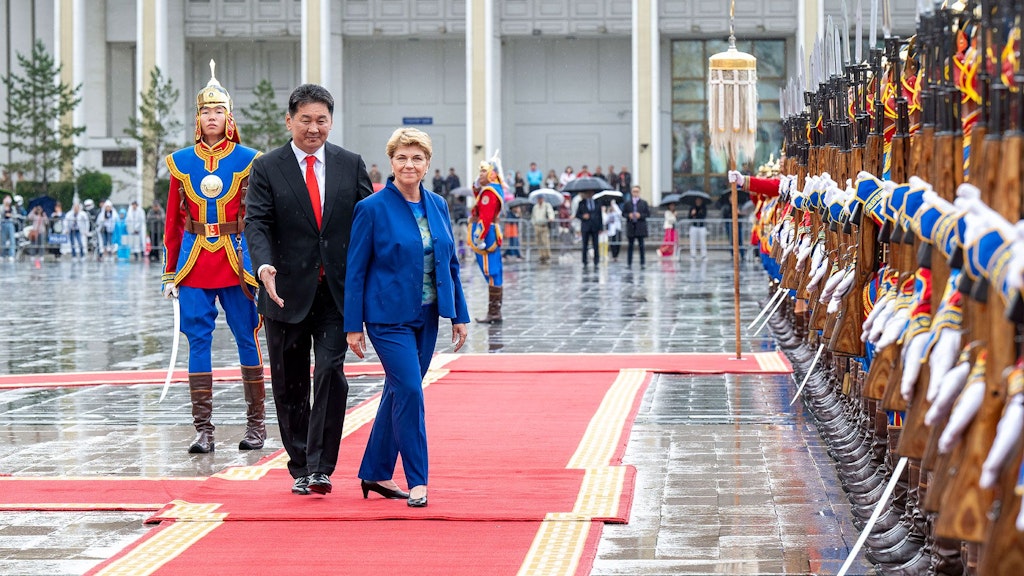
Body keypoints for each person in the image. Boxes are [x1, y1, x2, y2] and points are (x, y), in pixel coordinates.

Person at [244, 83, 373, 496]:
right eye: (306, 120)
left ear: (331, 122)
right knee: (290, 382)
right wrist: (263, 265)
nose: (314, 128)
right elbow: (257, 223)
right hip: (283, 290)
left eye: (322, 120)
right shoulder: (267, 167)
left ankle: (321, 465)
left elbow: (367, 223)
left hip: (336, 292)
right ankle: (299, 463)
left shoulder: (350, 164)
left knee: (331, 374)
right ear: (289, 121)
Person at [345, 127, 469, 508]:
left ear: (428, 163)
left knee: (399, 391)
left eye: (417, 158)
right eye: (402, 157)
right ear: (391, 162)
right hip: (387, 319)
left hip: (427, 316)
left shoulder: (438, 205)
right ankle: (418, 480)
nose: (409, 164)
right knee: (412, 391)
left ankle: (375, 472)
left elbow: (449, 263)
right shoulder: (371, 208)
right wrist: (353, 325)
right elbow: (355, 270)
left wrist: (459, 315)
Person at [162, 63, 266, 455]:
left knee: (247, 337)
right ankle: (203, 429)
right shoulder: (180, 162)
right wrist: (169, 272)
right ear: (197, 118)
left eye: (218, 111)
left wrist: (261, 266)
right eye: (206, 112)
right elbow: (173, 222)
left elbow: (258, 219)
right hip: (193, 263)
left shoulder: (250, 159)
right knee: (198, 342)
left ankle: (256, 426)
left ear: (229, 117)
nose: (212, 118)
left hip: (237, 262)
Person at [469, 155, 506, 323]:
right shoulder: (493, 189)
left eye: (483, 171)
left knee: (490, 271)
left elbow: (485, 216)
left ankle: (494, 312)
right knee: (495, 273)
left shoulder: (489, 193)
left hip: (487, 234)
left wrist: (479, 236)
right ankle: (495, 312)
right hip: (491, 232)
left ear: (491, 173)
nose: (480, 174)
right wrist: (477, 185)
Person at [576, 190, 602, 268]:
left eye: (591, 193)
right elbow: (577, 214)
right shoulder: (581, 203)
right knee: (585, 245)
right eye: (588, 193)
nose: (589, 194)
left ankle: (596, 260)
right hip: (586, 226)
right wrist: (583, 216)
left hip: (595, 226)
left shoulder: (597, 202)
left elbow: (600, 216)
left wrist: (600, 227)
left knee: (596, 244)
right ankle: (584, 260)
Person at [625, 185, 650, 267]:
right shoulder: (628, 203)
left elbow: (647, 214)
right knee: (630, 246)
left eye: (637, 191)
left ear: (639, 192)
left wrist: (641, 215)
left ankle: (642, 262)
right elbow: (623, 213)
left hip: (640, 226)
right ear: (631, 192)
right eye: (634, 191)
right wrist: (629, 215)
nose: (635, 193)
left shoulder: (643, 203)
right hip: (631, 226)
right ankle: (629, 262)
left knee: (641, 245)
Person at [530, 194, 555, 264]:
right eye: (538, 199)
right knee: (538, 242)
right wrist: (533, 223)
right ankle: (541, 256)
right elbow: (533, 216)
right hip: (537, 226)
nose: (540, 200)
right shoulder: (535, 207)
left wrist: (551, 218)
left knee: (545, 241)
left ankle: (547, 256)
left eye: (541, 198)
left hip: (544, 225)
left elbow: (550, 212)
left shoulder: (547, 205)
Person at [1, 195, 15, 261]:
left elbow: (15, 215)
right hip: (3, 223)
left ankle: (11, 255)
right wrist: (4, 206)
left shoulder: (12, 208)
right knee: (3, 240)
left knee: (12, 240)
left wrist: (11, 215)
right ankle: (2, 255)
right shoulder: (1, 207)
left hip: (10, 223)